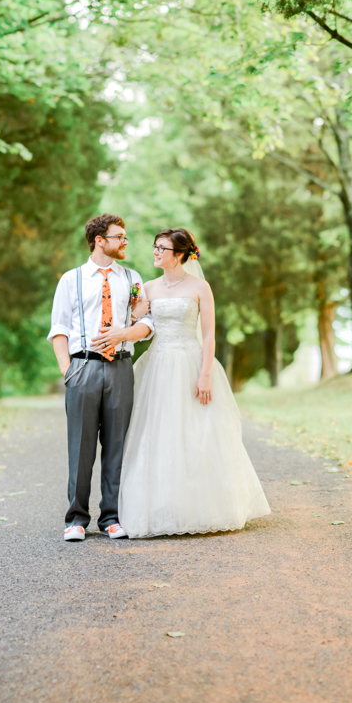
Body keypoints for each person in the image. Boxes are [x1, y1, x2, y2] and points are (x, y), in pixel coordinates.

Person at [119, 227, 271, 538]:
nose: (155, 252)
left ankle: (202, 507)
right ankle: (161, 508)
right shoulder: (147, 287)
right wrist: (137, 312)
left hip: (190, 362)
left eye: (162, 248)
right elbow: (137, 322)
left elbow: (209, 334)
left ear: (179, 255)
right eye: (155, 247)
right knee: (158, 432)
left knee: (197, 432)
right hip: (158, 365)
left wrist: (204, 374)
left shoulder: (200, 287)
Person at [49, 214, 153, 542]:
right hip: (83, 369)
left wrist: (126, 330)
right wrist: (67, 370)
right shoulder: (71, 280)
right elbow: (59, 329)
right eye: (119, 236)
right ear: (99, 241)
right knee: (80, 448)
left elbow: (147, 324)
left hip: (121, 368)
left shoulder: (132, 277)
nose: (125, 241)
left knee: (117, 445)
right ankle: (76, 519)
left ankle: (111, 517)